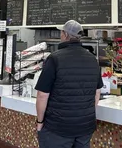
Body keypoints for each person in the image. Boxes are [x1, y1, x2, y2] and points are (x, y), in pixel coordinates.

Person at [35, 20, 103, 148]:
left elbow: (42, 95)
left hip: (58, 128)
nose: (60, 34)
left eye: (61, 32)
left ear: (65, 35)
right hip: (85, 127)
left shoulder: (54, 58)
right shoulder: (93, 59)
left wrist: (40, 122)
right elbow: (97, 93)